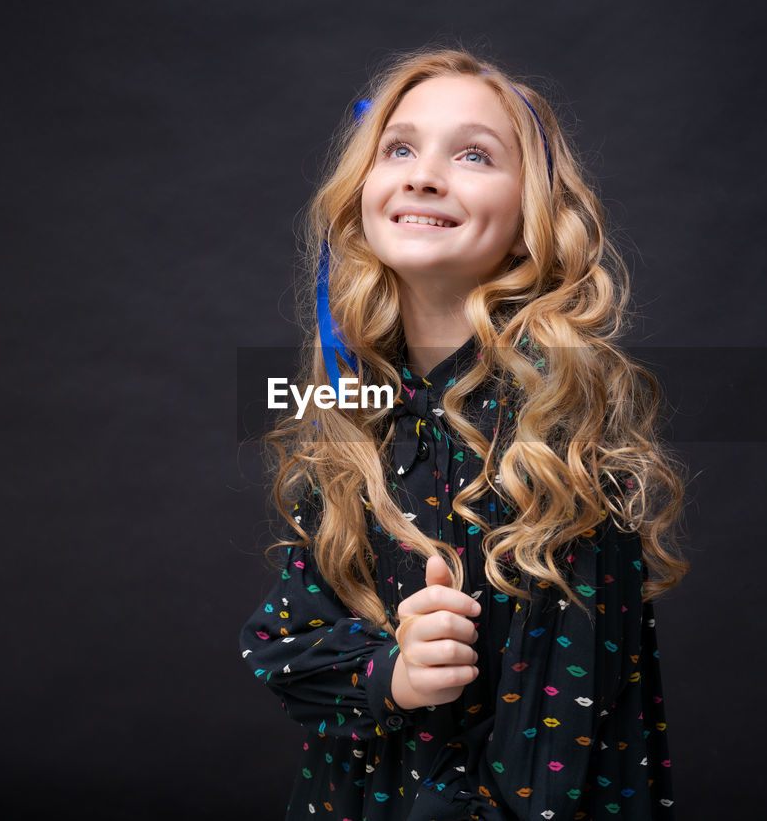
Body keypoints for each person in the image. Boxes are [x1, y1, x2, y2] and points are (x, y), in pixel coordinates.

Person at [239, 44, 689, 821]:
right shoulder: (358, 417)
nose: (422, 174)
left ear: (530, 219)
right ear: (362, 194)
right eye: (400, 148)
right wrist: (395, 676)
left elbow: (553, 755)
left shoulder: (559, 440)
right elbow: (284, 647)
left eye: (474, 154)